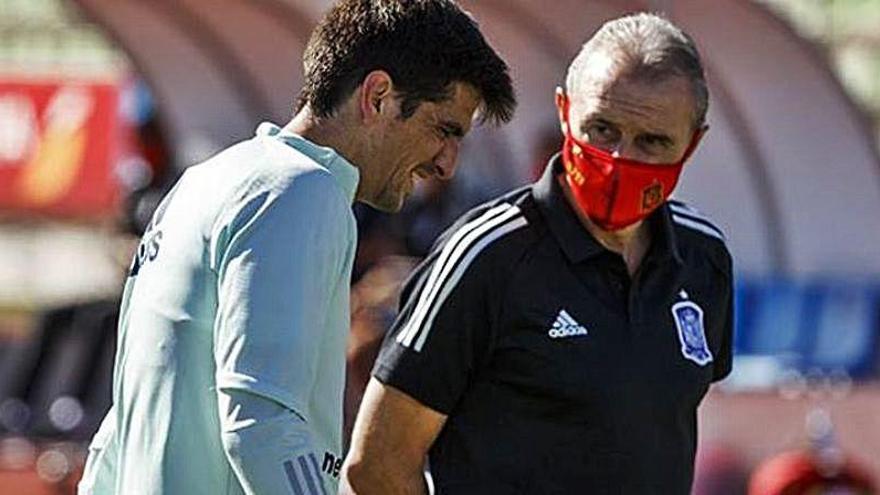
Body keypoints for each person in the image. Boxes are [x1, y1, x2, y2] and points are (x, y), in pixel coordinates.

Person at [77, 1, 515, 493]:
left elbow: (119, 425)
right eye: (445, 129)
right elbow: (262, 421)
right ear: (378, 96)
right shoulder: (302, 191)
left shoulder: (206, 180)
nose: (448, 164)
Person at [343, 12, 733, 494]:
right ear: (565, 111)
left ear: (692, 144)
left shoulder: (704, 259)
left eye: (652, 142)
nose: (620, 160)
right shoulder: (486, 256)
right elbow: (376, 466)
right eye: (603, 129)